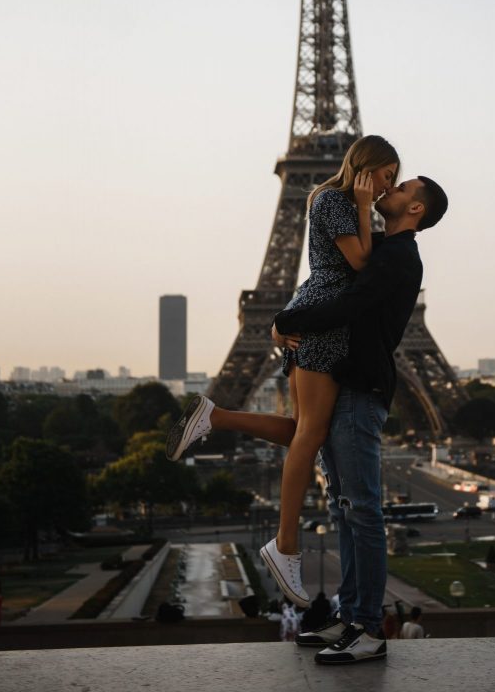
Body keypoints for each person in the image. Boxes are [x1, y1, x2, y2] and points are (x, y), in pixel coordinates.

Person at [165, 135, 399, 609]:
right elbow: (360, 265)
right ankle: (286, 543)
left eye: (393, 181)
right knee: (310, 435)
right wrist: (360, 207)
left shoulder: (334, 202)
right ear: (363, 167)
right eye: (385, 176)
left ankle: (216, 417)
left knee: (303, 431)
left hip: (318, 318)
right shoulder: (336, 200)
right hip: (323, 324)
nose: (385, 187)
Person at [276, 174, 448, 664]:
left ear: (414, 210)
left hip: (357, 389)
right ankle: (352, 619)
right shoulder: (384, 252)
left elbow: (350, 304)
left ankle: (368, 627)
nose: (389, 190)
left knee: (362, 511)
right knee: (344, 510)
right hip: (345, 382)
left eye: (401, 188)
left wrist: (287, 320)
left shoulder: (395, 256)